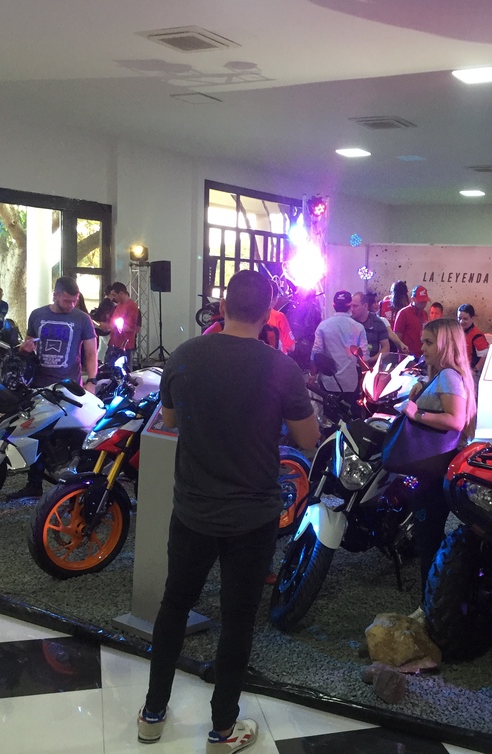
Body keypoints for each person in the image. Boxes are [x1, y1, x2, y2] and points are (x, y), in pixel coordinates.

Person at [137, 270, 318, 753]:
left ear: (221, 307)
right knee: (238, 620)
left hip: (192, 508)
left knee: (175, 605)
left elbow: (170, 420)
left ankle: (152, 714)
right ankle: (221, 731)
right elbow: (308, 439)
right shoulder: (282, 368)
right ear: (269, 313)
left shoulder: (185, 355)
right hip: (252, 516)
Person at [402, 317, 476, 602]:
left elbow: (456, 420)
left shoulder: (448, 376)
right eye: (423, 341)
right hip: (434, 467)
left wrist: (416, 413)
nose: (422, 347)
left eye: (429, 342)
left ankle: (429, 606)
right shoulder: (446, 375)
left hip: (433, 470)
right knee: (428, 537)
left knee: (428, 540)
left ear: (446, 345)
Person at [11, 276, 97, 500]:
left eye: (75, 301)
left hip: (68, 388)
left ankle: (73, 485)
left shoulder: (82, 319)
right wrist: (24, 349)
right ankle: (34, 484)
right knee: (37, 436)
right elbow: (28, 345)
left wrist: (92, 380)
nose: (71, 305)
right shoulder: (38, 315)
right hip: (40, 386)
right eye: (67, 300)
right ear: (55, 295)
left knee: (71, 436)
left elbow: (91, 353)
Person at [311, 291, 368, 398]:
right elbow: (363, 357)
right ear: (350, 306)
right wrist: (364, 379)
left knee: (328, 409)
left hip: (328, 383)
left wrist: (312, 376)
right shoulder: (358, 327)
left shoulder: (323, 326)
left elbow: (316, 353)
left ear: (334, 305)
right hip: (350, 383)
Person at [350, 291, 390, 366]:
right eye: (351, 306)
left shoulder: (377, 322)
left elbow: (386, 347)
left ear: (365, 306)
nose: (352, 309)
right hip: (352, 366)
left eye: (355, 306)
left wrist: (371, 360)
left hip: (372, 365)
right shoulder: (349, 323)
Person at [107, 282, 140, 367]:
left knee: (123, 370)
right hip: (114, 343)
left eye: (114, 295)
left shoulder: (131, 306)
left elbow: (130, 327)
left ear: (121, 293)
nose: (113, 298)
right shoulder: (119, 304)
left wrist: (111, 326)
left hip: (124, 346)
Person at [394, 285, 430, 358]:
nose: (423, 304)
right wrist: (403, 353)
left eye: (425, 301)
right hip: (407, 357)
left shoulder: (424, 314)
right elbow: (397, 337)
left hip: (422, 355)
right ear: (413, 299)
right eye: (421, 301)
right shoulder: (403, 313)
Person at [456, 304, 489, 378]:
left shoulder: (477, 335)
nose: (461, 321)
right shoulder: (457, 332)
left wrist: (474, 371)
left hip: (472, 374)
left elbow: (484, 356)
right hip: (460, 371)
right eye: (459, 318)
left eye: (465, 319)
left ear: (472, 318)